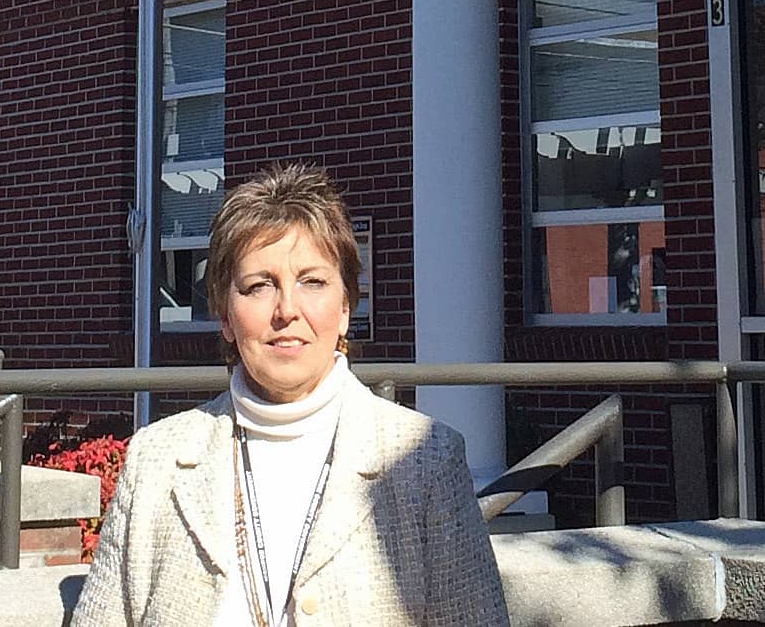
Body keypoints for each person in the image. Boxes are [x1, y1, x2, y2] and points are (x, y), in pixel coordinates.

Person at [71, 161, 511, 627]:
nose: (287, 310)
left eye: (312, 282)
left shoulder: (426, 461)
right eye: (259, 286)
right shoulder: (156, 462)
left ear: (344, 308)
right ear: (225, 315)